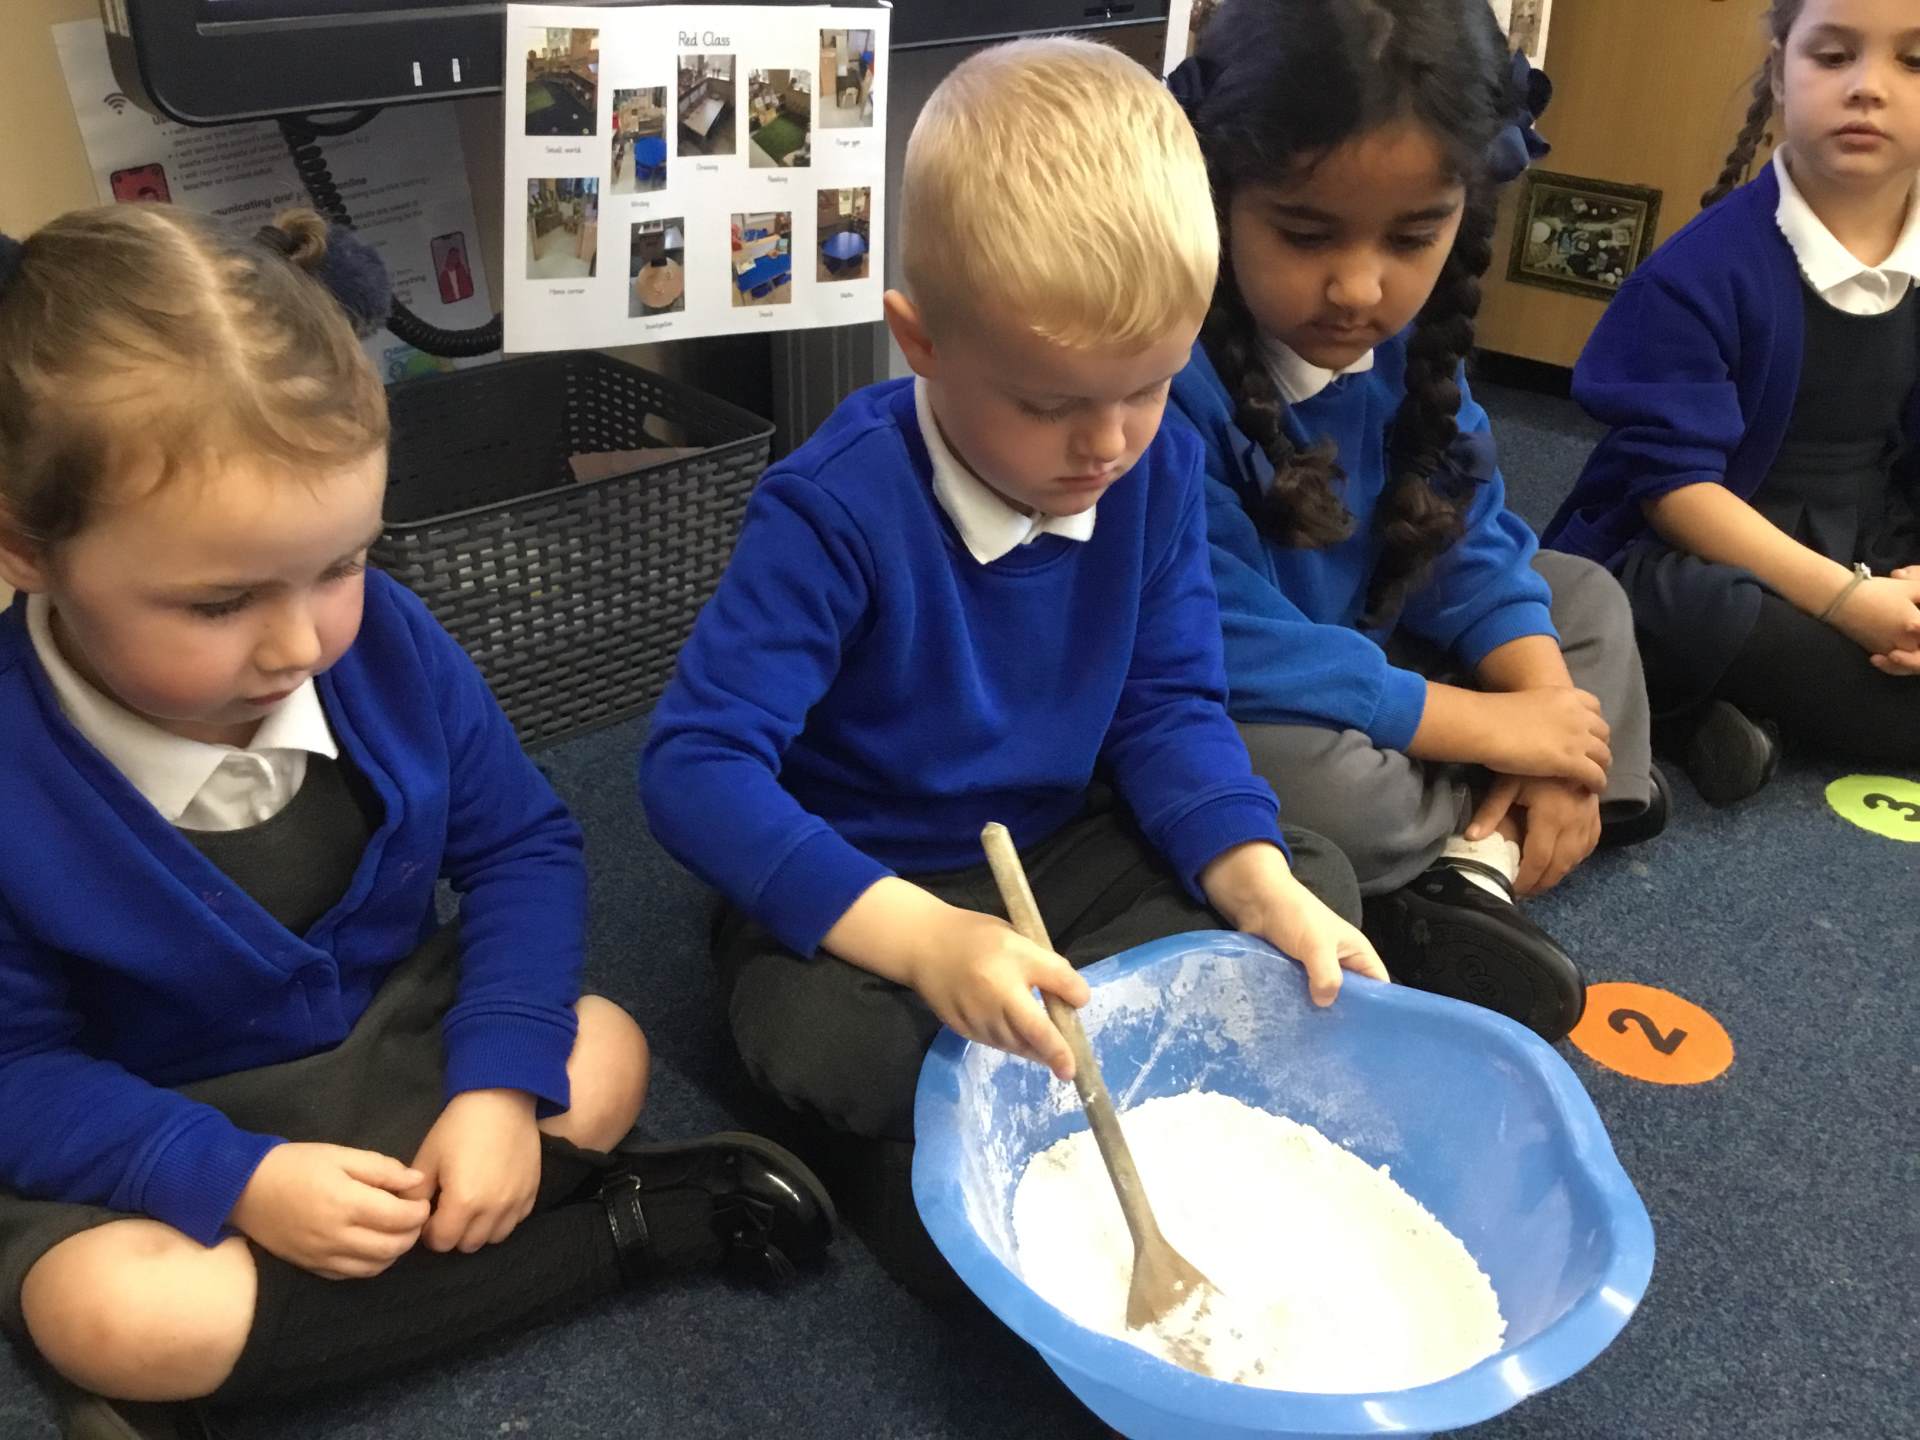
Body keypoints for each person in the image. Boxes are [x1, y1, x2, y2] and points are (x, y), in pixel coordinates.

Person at [0, 205, 831, 1439]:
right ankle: (611, 1239)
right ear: (26, 549)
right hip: (155, 1117)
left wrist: (494, 1087)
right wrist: (238, 1179)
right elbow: (18, 1073)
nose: (299, 644)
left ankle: (289, 1346)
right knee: (108, 1314)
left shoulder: (384, 643)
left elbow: (521, 849)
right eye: (220, 603)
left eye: (342, 564)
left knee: (603, 1052)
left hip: (400, 1044)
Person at [641, 37, 1383, 1293]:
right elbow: (693, 771)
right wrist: (926, 942)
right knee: (818, 1034)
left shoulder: (1154, 468)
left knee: (1312, 878)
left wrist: (1253, 883)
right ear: (920, 341)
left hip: (1059, 847)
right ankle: (1014, 1099)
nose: (1106, 445)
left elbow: (1167, 706)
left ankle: (1028, 1076)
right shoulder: (832, 510)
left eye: (1151, 387)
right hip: (877, 879)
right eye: (1048, 405)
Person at [1164, 0, 1667, 1043]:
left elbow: (1471, 537)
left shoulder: (1407, 351)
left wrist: (1540, 698)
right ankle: (1528, 818)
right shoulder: (1162, 374)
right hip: (1254, 693)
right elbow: (1218, 641)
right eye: (1305, 233)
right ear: (1220, 196)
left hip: (1378, 657)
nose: (1358, 287)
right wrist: (1491, 728)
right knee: (1292, 782)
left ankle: (1488, 842)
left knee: (1584, 598)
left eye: (1412, 236)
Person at [1544, 0, 1920, 796]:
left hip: (1870, 541)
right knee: (1669, 609)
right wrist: (1849, 604)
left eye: (1913, 62)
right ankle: (1703, 701)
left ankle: (1709, 715)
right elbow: (1677, 494)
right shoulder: (1700, 273)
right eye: (1833, 56)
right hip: (1708, 558)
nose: (1868, 87)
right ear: (1780, 70)